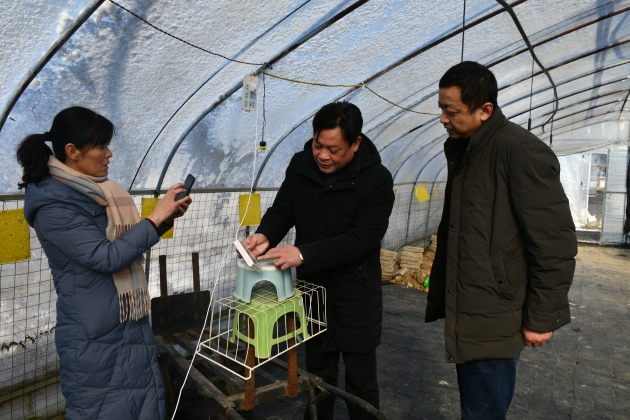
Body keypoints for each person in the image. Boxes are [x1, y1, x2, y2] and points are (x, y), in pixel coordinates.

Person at [17, 106, 192, 419]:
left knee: (143, 406)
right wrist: (155, 218)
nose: (109, 154)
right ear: (72, 151)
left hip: (125, 321)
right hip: (94, 336)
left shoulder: (96, 192)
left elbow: (121, 242)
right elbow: (107, 256)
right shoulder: (52, 206)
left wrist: (165, 218)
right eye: (100, 146)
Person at [426, 61, 577, 419]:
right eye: (441, 109)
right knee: (478, 409)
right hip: (474, 307)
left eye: (451, 111)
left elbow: (554, 245)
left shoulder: (519, 151)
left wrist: (541, 318)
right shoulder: (469, 149)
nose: (443, 119)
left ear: (485, 110)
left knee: (484, 412)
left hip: (495, 312)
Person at [243, 101, 394, 419]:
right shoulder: (302, 166)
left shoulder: (376, 180)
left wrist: (302, 254)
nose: (323, 155)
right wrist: (266, 235)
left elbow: (362, 239)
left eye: (333, 149)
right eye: (317, 145)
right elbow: (284, 209)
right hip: (314, 290)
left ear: (355, 143)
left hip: (356, 293)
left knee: (361, 381)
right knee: (318, 376)